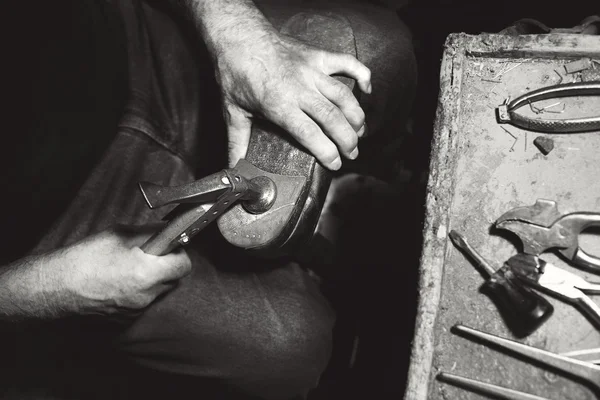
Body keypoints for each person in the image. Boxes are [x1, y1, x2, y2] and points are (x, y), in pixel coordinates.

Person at [1, 0, 416, 399]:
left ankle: (353, 180)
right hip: (52, 237)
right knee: (289, 348)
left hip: (128, 45)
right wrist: (45, 289)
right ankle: (322, 250)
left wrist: (235, 33)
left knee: (378, 48)